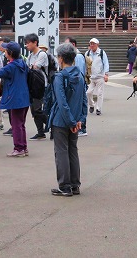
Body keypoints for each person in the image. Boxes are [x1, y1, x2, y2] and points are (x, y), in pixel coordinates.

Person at [48, 43, 88, 196]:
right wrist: (80, 120)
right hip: (76, 120)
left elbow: (61, 102)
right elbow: (84, 99)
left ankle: (64, 186)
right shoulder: (79, 75)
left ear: (62, 58)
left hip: (61, 121)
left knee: (61, 152)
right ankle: (75, 185)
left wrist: (71, 121)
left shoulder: (60, 77)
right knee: (73, 151)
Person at [25, 33, 49, 141]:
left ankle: (52, 124)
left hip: (40, 85)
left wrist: (30, 67)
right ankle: (40, 132)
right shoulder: (30, 55)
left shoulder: (42, 54)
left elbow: (35, 67)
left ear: (35, 42)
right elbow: (28, 68)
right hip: (32, 85)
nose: (26, 45)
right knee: (34, 110)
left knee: (38, 109)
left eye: (28, 43)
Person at [85, 38, 109, 116]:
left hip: (100, 76)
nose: (92, 45)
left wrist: (106, 74)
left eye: (93, 44)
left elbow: (106, 63)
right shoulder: (87, 53)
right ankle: (91, 105)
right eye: (91, 44)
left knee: (100, 93)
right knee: (88, 92)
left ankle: (98, 108)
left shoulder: (102, 53)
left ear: (97, 45)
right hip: (91, 77)